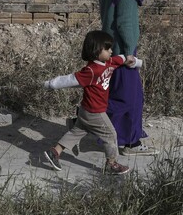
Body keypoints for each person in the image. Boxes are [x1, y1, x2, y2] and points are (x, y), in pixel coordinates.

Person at [43, 30, 142, 175]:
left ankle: (54, 152)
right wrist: (50, 84)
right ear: (97, 50)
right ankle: (111, 164)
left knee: (76, 132)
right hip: (94, 112)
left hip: (86, 110)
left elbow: (120, 59)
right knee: (110, 135)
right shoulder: (90, 70)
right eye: (107, 49)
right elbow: (69, 80)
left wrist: (135, 61)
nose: (111, 51)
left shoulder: (108, 62)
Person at [96, 0, 158, 156]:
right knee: (130, 97)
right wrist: (131, 49)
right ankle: (129, 143)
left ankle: (105, 133)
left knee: (112, 93)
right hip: (122, 48)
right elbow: (126, 20)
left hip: (106, 43)